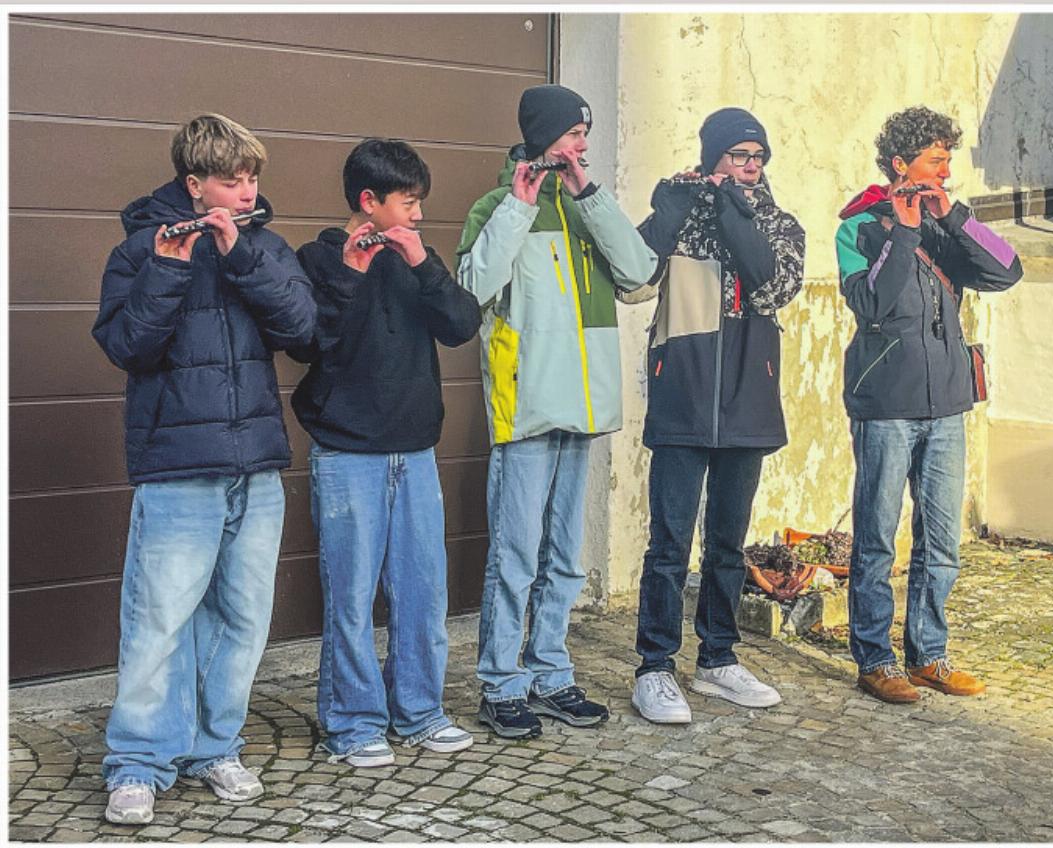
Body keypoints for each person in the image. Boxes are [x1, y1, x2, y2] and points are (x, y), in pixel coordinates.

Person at [92, 114, 315, 824]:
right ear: (194, 184)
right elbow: (128, 347)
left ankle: (214, 747)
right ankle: (137, 763)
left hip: (256, 467)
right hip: (178, 468)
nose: (247, 192)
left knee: (242, 619)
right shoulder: (139, 249)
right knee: (158, 620)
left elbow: (302, 330)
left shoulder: (264, 246)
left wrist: (240, 256)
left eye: (252, 178)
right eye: (231, 180)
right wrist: (168, 267)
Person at [456, 84, 658, 738]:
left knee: (564, 557)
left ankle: (550, 673)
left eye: (585, 133)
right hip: (527, 408)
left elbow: (640, 274)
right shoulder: (495, 206)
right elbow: (472, 291)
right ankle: (499, 683)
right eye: (574, 132)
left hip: (585, 408)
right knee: (515, 555)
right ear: (545, 135)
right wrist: (519, 207)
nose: (582, 144)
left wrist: (589, 197)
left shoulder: (586, 204)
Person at [289, 139, 481, 766]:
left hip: (415, 452)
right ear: (368, 201)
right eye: (408, 201)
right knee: (350, 598)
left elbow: (461, 324)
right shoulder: (318, 259)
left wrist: (423, 263)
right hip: (347, 454)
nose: (418, 214)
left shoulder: (415, 258)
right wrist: (350, 273)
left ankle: (420, 712)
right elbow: (306, 343)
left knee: (423, 594)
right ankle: (353, 724)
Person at [835, 106, 1023, 704]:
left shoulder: (948, 223)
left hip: (947, 405)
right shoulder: (858, 227)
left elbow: (1007, 270)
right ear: (901, 163)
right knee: (876, 539)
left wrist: (954, 218)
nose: (946, 171)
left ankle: (928, 656)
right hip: (885, 406)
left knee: (941, 541)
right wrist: (905, 230)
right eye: (936, 160)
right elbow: (872, 303)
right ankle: (875, 659)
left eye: (947, 160)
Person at [630, 108, 806, 724]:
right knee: (669, 544)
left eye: (758, 157)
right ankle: (654, 666)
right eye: (738, 156)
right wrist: (668, 211)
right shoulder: (685, 221)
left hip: (747, 399)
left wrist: (736, 212)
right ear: (713, 159)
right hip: (683, 391)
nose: (750, 166)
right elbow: (631, 282)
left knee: (727, 545)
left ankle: (718, 659)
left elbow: (771, 287)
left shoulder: (779, 224)